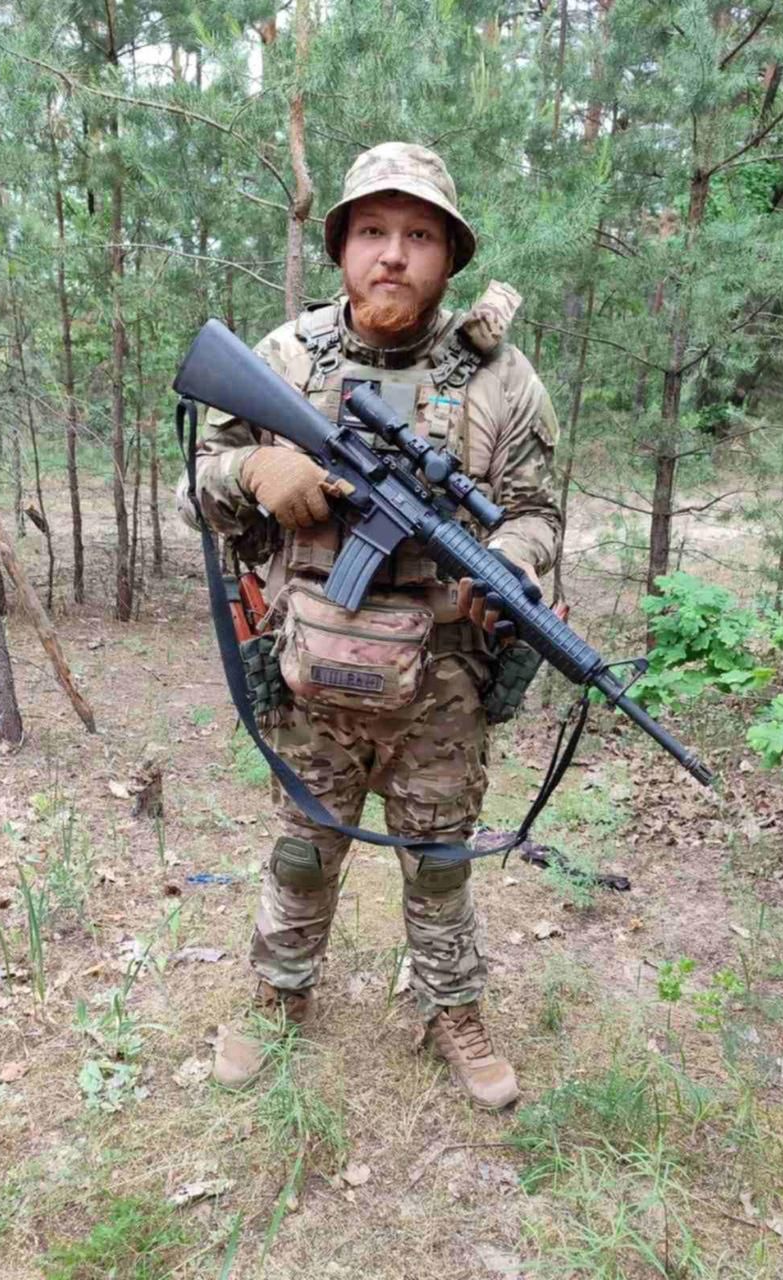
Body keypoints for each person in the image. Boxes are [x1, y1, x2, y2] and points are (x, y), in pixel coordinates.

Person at [176, 142, 561, 1109]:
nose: (394, 254)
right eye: (374, 232)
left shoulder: (503, 380)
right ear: (343, 245)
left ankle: (451, 1005)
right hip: (311, 663)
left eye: (419, 235)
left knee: (440, 859)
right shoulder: (285, 358)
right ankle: (278, 993)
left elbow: (534, 512)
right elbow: (197, 487)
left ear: (450, 255)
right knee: (304, 848)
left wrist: (515, 564)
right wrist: (252, 470)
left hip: (445, 677)